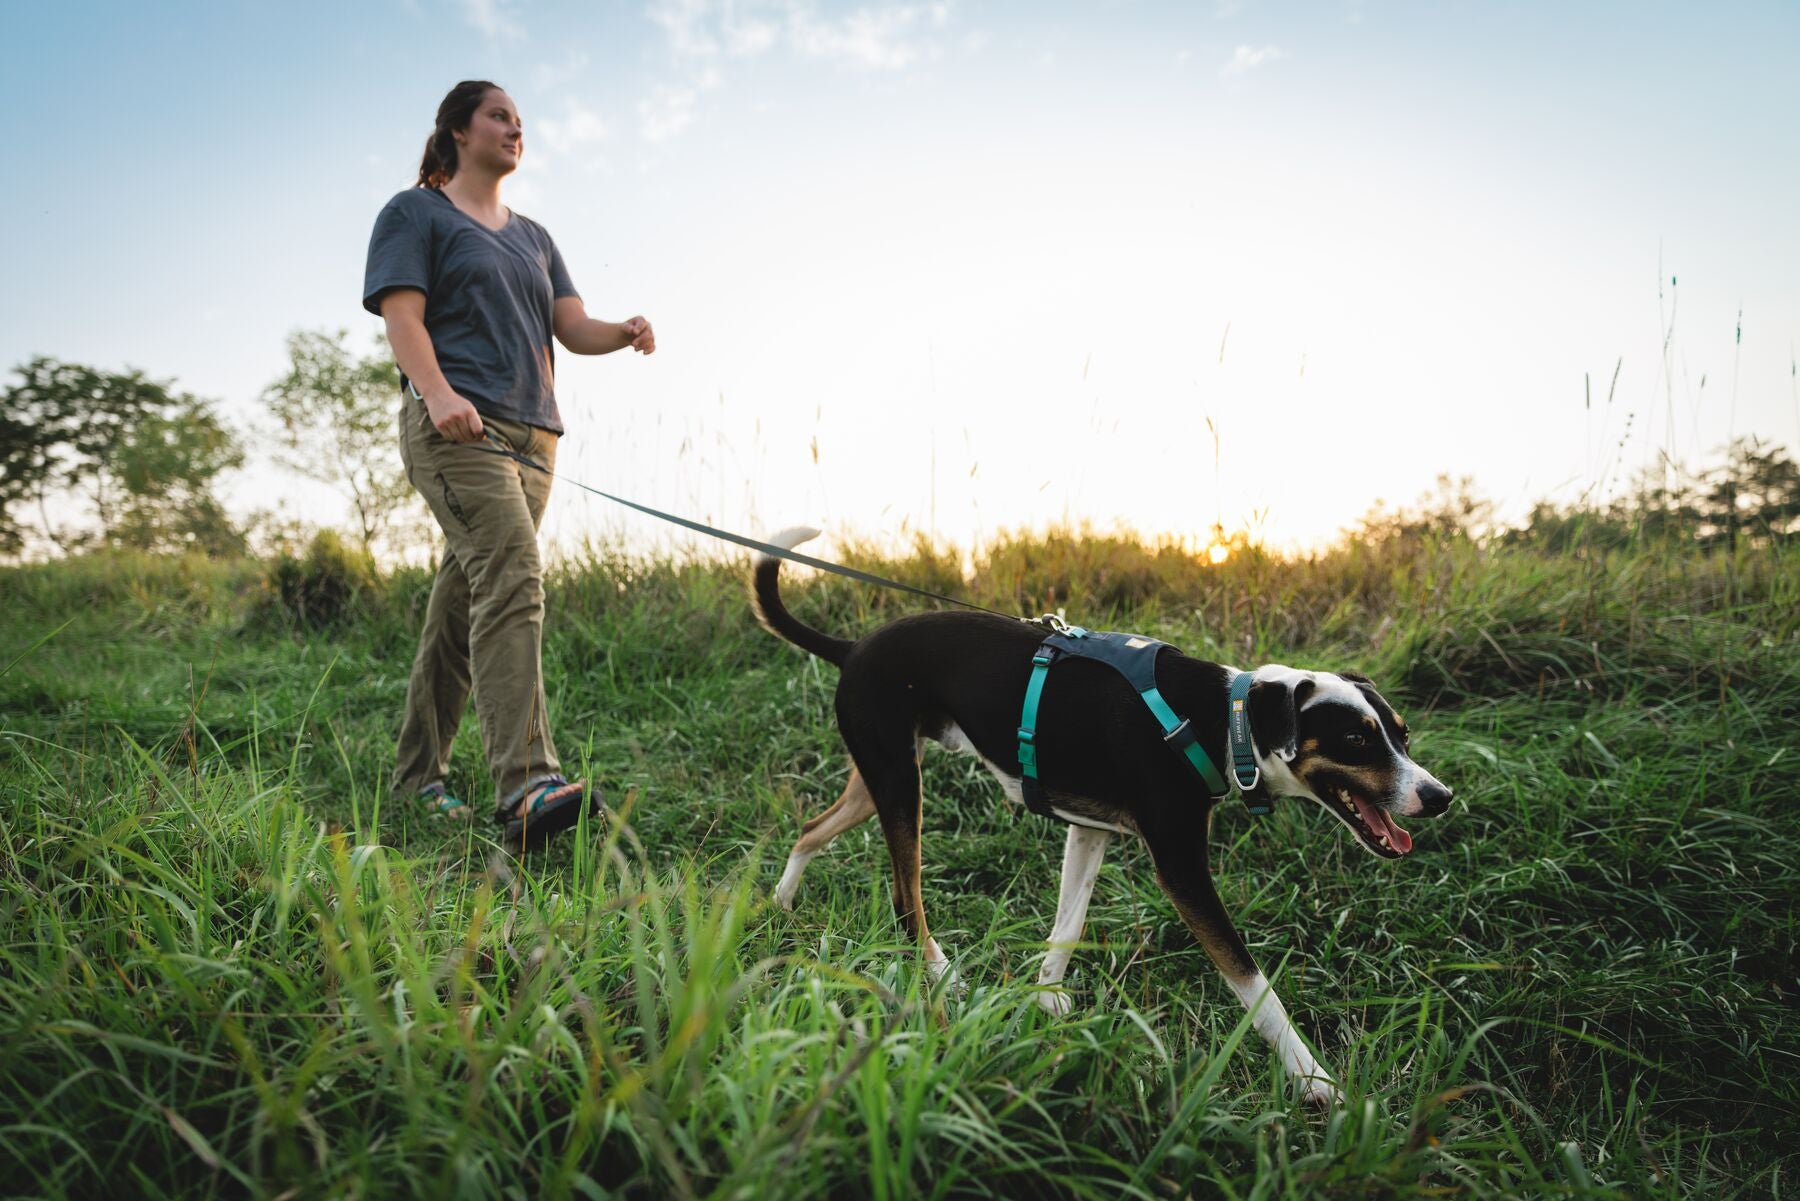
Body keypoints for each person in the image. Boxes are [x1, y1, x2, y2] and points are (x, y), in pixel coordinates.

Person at [362, 79, 654, 849]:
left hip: (536, 441)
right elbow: (402, 313)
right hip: (459, 430)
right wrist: (435, 392)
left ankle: (416, 779)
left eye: (520, 122)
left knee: (465, 602)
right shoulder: (414, 212)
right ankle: (527, 784)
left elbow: (571, 326)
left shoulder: (534, 236)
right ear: (459, 130)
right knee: (515, 574)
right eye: (499, 116)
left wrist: (621, 330)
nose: (514, 129)